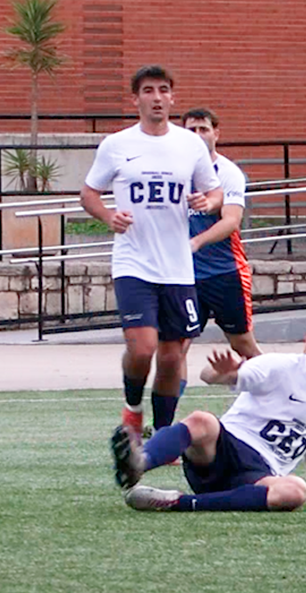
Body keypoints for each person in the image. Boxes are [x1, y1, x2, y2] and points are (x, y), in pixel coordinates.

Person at [80, 65, 223, 438]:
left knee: (172, 357)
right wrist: (108, 216)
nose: (156, 97)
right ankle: (132, 408)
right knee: (143, 348)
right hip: (133, 263)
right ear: (136, 99)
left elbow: (215, 192)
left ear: (172, 97)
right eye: (148, 91)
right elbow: (89, 193)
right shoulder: (117, 145)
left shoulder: (189, 144)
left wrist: (205, 202)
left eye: (163, 90)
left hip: (176, 267)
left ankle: (162, 433)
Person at [109, 306, 306, 512]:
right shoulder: (276, 366)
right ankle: (139, 462)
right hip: (221, 450)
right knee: (203, 420)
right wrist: (222, 372)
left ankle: (176, 502)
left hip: (258, 477)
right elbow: (210, 376)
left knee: (295, 490)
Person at [176, 107, 261, 405]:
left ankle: (275, 396)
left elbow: (231, 220)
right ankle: (165, 417)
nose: (197, 136)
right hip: (184, 276)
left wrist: (196, 242)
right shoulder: (175, 171)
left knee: (242, 344)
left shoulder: (227, 173)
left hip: (225, 273)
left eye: (203, 129)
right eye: (191, 130)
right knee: (177, 345)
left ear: (216, 134)